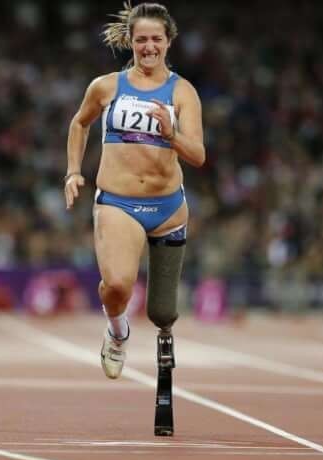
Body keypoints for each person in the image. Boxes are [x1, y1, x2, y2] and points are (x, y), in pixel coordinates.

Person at [64, 2, 205, 380]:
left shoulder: (183, 92)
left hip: (168, 207)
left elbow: (198, 155)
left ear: (169, 41)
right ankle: (117, 331)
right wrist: (73, 171)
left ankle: (151, 326)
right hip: (118, 202)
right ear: (130, 41)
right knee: (117, 286)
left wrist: (171, 134)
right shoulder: (106, 86)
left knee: (163, 312)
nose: (149, 47)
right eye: (141, 39)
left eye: (156, 39)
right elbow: (79, 124)